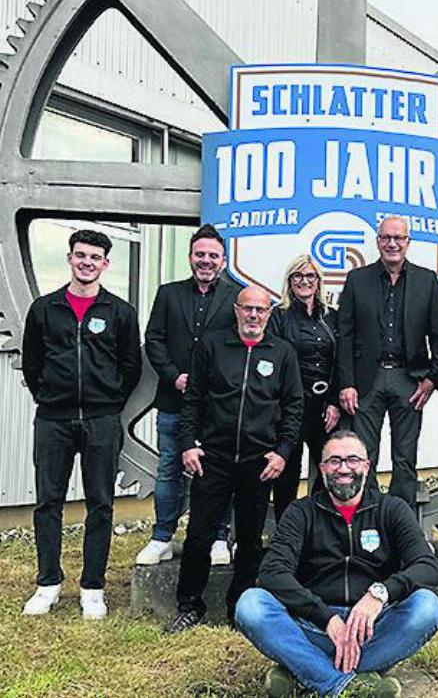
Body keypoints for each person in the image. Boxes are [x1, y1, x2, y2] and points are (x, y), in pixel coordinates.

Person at [235, 430, 438, 698]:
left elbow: (426, 565)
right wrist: (327, 618)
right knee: (250, 604)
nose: (343, 469)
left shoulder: (392, 509)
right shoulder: (301, 512)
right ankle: (349, 685)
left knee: (427, 606)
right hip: (313, 628)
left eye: (353, 460)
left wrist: (379, 594)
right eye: (334, 461)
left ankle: (307, 673)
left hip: (372, 630)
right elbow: (271, 573)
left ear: (367, 467)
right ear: (322, 469)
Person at [164, 285, 304, 632]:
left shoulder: (283, 352)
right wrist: (187, 444)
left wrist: (283, 453)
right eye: (248, 309)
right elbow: (193, 399)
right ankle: (189, 605)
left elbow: (293, 407)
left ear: (269, 314)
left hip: (260, 462)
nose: (253, 315)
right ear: (237, 311)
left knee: (250, 540)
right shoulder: (211, 345)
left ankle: (239, 608)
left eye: (260, 310)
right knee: (199, 535)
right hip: (213, 458)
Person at [21, 229, 141, 619]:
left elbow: (130, 367)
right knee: (48, 503)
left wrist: (106, 400)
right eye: (80, 255)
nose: (87, 262)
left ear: (106, 263)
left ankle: (93, 587)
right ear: (70, 259)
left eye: (95, 257)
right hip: (53, 420)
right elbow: (33, 363)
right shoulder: (44, 309)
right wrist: (50, 396)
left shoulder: (120, 312)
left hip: (102, 421)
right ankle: (48, 583)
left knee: (101, 504)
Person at [136, 223, 238, 567]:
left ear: (223, 260)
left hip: (218, 405)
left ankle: (218, 538)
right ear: (190, 257)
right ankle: (162, 537)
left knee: (218, 472)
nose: (206, 260)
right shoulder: (168, 293)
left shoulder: (236, 296)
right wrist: (173, 376)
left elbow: (239, 347)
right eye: (200, 254)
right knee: (168, 469)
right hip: (173, 401)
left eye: (213, 255)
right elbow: (154, 339)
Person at [337, 216, 438, 508]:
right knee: (362, 455)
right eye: (386, 238)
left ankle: (401, 524)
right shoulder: (357, 279)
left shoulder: (426, 281)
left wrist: (433, 379)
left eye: (398, 238)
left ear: (408, 242)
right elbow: (344, 335)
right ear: (377, 242)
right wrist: (346, 383)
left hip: (409, 380)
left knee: (405, 457)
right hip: (366, 381)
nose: (392, 243)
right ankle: (368, 517)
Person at [267, 254, 342, 520]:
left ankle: (320, 525)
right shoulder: (278, 316)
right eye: (298, 276)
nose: (304, 281)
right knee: (287, 471)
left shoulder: (331, 317)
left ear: (319, 282)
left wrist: (334, 401)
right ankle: (288, 530)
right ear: (290, 281)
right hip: (290, 406)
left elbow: (340, 361)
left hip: (324, 408)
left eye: (310, 276)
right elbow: (273, 363)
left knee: (330, 467)